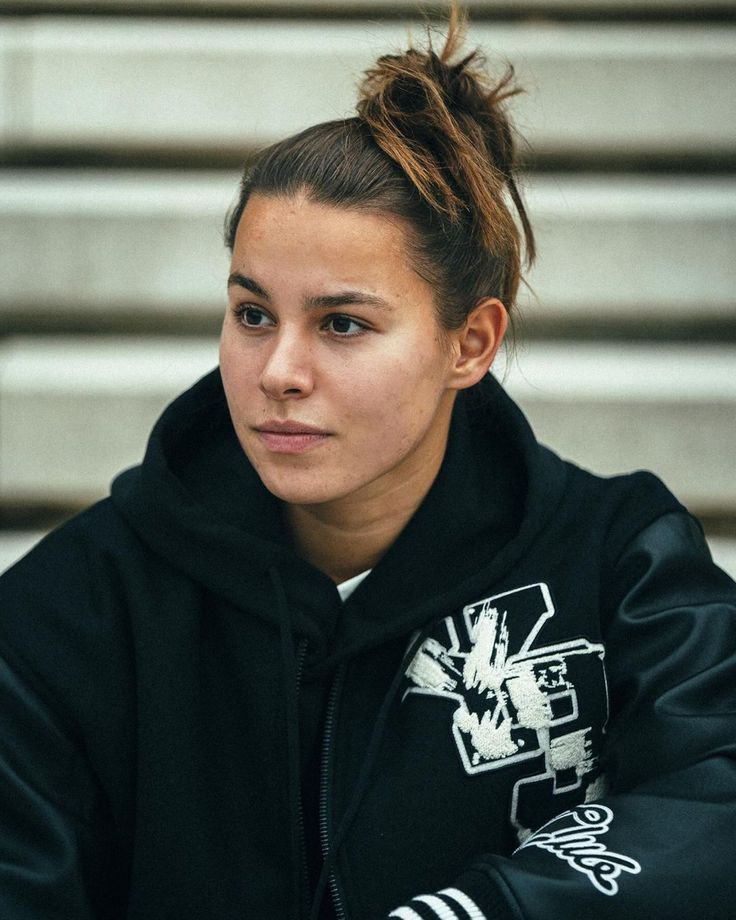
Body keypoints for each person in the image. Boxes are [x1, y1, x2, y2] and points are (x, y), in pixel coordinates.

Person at [1, 6, 735, 920]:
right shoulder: (68, 616)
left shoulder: (620, 566)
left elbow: (716, 802)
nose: (278, 373)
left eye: (343, 324)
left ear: (471, 343)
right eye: (253, 314)